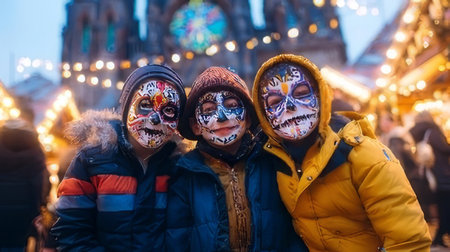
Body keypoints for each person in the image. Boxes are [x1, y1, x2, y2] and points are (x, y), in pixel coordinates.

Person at [252, 54, 432, 251]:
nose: (291, 106)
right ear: (264, 115)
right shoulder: (274, 163)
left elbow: (409, 241)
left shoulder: (364, 154)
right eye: (275, 101)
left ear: (321, 97)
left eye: (302, 93)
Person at [166, 67, 307, 251]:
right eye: (208, 110)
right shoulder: (186, 174)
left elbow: (293, 229)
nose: (222, 117)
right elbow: (178, 237)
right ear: (195, 126)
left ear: (248, 118)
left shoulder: (272, 162)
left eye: (232, 106)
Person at [51, 64, 187, 251]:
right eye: (145, 105)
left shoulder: (178, 167)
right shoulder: (92, 160)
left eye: (169, 110)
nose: (155, 119)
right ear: (127, 108)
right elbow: (71, 232)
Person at [0, 117, 46, 251]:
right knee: (18, 245)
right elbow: (39, 185)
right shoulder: (36, 151)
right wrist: (37, 210)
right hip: (24, 210)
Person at [410, 111, 450, 248]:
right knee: (445, 205)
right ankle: (440, 235)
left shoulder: (420, 134)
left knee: (443, 205)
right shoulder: (432, 132)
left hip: (433, 175)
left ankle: (441, 234)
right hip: (442, 174)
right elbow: (444, 149)